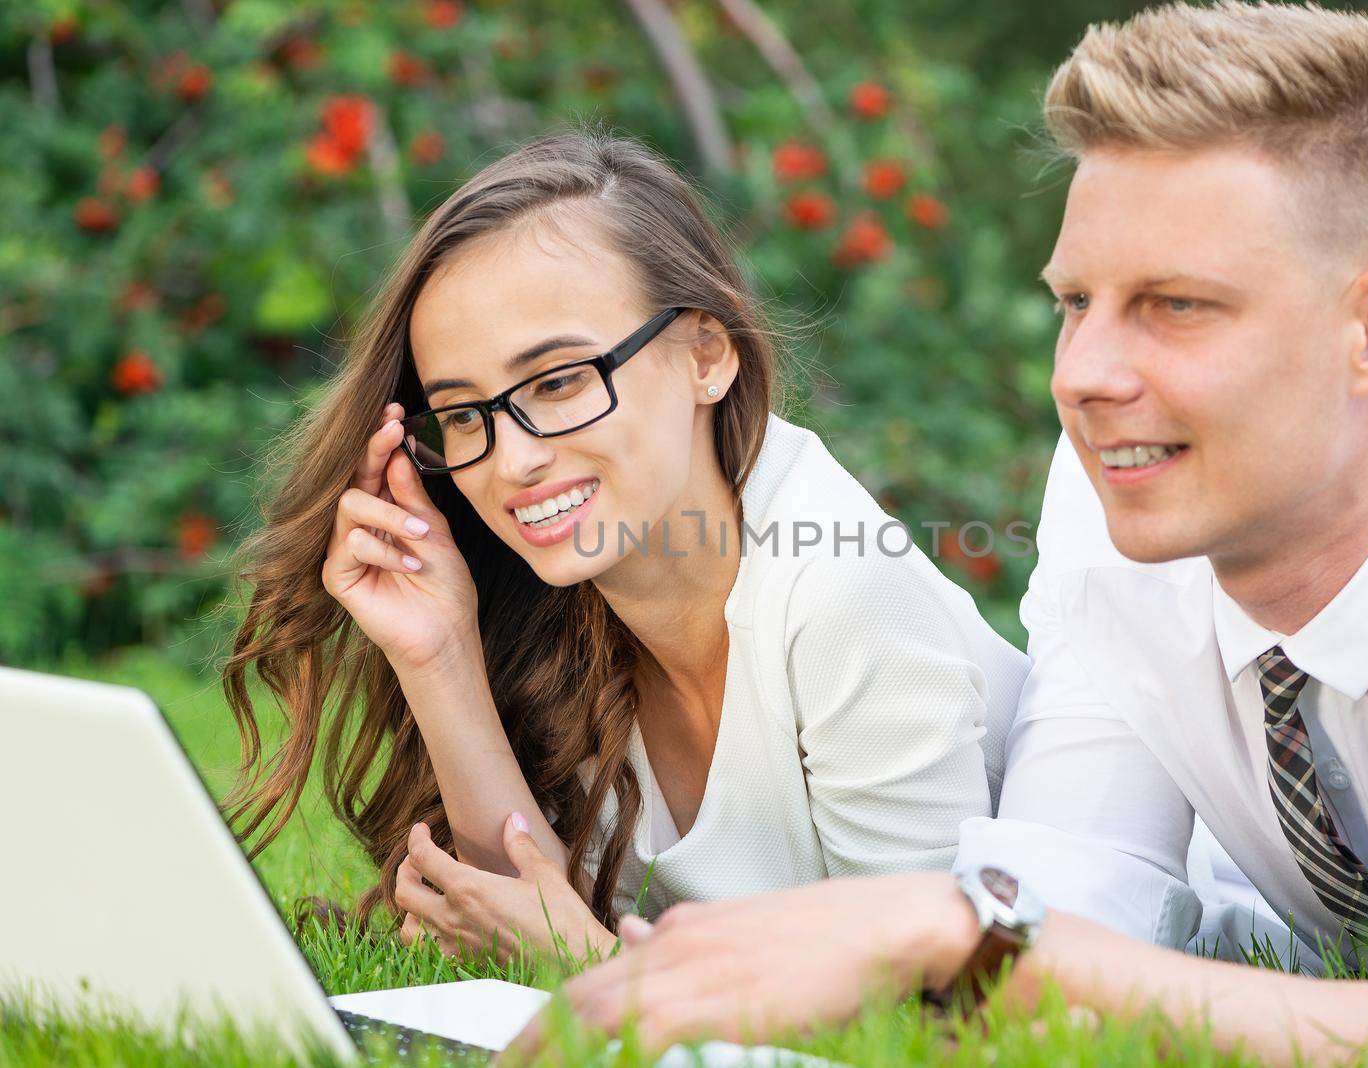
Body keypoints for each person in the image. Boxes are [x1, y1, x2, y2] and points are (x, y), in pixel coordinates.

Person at [504, 3, 1368, 1063]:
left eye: (1176, 305)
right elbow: (1065, 895)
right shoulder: (1123, 496)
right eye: (1076, 303)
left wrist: (952, 931)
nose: (1079, 380)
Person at [219, 130, 1026, 962]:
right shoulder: (574, 594)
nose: (514, 459)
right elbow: (521, 908)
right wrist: (441, 653)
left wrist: (594, 964)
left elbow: (931, 1008)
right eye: (465, 415)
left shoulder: (841, 589)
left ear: (706, 355)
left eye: (561, 380)